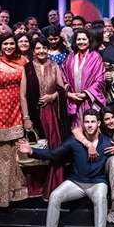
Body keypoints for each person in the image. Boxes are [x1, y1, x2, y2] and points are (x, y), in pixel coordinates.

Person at [17, 109, 112, 227]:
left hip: (98, 183)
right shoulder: (74, 142)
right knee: (55, 195)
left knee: (100, 197)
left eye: (93, 122)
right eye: (87, 122)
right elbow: (54, 154)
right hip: (77, 182)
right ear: (82, 124)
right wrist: (32, 151)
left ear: (99, 123)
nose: (90, 125)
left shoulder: (106, 142)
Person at [0, 33, 29, 207]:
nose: (9, 47)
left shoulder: (23, 62)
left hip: (18, 109)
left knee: (17, 152)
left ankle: (16, 192)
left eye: (11, 44)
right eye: (5, 44)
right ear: (0, 45)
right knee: (2, 153)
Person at [23, 37, 66, 199]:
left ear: (48, 49)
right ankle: (37, 186)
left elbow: (62, 90)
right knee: (37, 148)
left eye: (44, 48)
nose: (41, 51)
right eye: (38, 48)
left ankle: (53, 186)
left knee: (53, 148)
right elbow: (23, 95)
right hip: (34, 114)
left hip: (52, 115)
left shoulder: (55, 66)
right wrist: (26, 118)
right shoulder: (26, 68)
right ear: (33, 50)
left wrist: (52, 97)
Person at [62, 29, 106, 128]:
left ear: (89, 41)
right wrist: (69, 94)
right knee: (77, 130)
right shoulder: (70, 57)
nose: (81, 42)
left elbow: (100, 79)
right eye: (78, 39)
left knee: (91, 128)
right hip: (74, 100)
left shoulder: (95, 56)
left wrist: (85, 94)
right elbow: (63, 77)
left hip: (89, 100)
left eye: (84, 39)